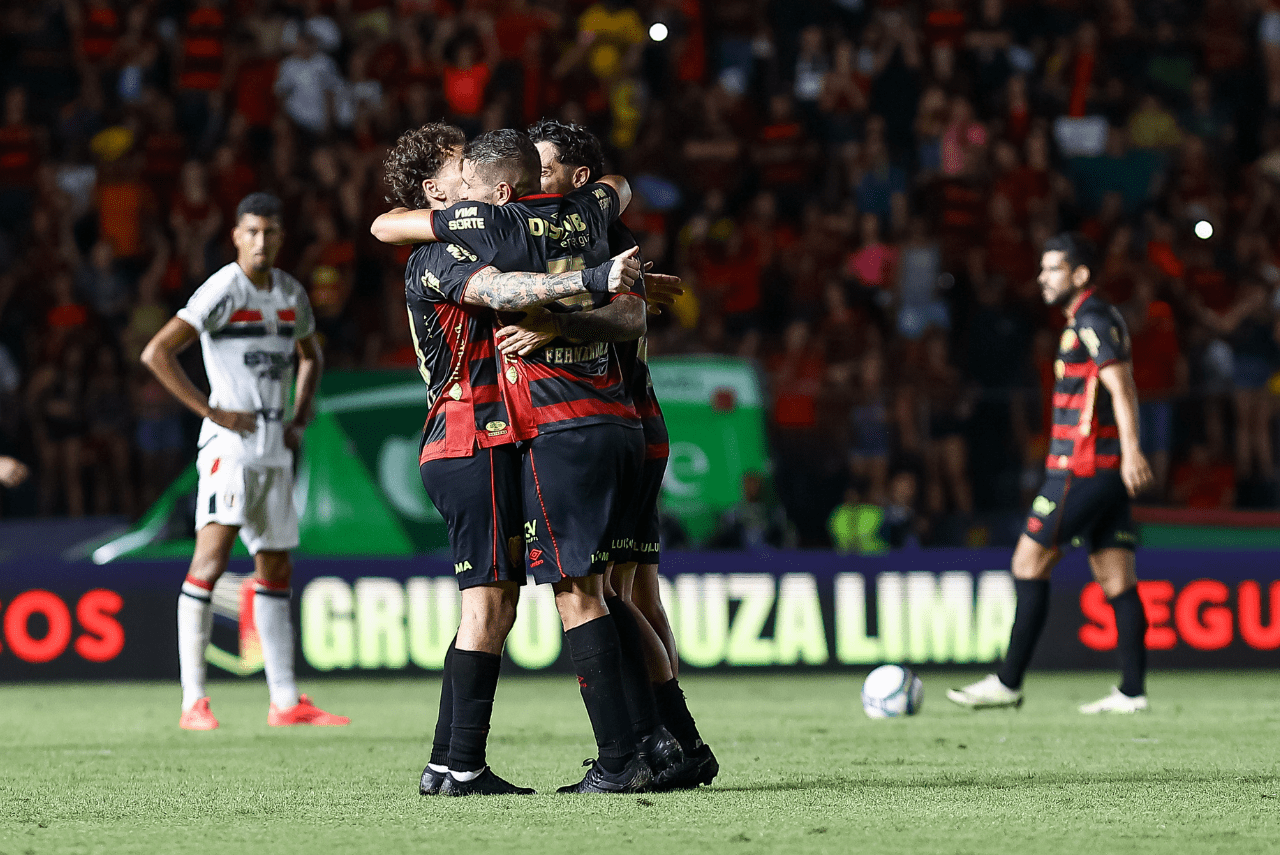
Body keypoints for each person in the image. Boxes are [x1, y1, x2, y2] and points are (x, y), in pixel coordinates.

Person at [374, 128, 658, 794]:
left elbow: (601, 200)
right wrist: (591, 280)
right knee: (492, 608)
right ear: (434, 192)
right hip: (476, 437)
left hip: (482, 439)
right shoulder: (439, 255)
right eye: (456, 172)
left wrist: (616, 291)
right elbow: (501, 290)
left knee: (490, 607)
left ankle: (448, 765)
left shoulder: (486, 231)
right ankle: (470, 763)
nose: (468, 182)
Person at [512, 118, 718, 789]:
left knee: (616, 592)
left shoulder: (595, 231)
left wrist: (552, 321)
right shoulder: (574, 233)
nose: (527, 180)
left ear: (575, 178)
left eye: (540, 169)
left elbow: (628, 316)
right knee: (632, 592)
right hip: (624, 422)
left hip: (615, 420)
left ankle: (662, 739)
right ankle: (672, 740)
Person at [141, 192, 348, 731]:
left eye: (271, 232)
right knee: (209, 563)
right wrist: (210, 410)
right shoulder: (222, 288)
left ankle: (284, 700)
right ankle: (194, 702)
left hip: (273, 446)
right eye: (252, 231)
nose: (261, 241)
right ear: (236, 235)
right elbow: (157, 352)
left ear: (281, 237)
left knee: (275, 567)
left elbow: (311, 357)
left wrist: (298, 420)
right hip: (229, 448)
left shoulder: (290, 293)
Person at [948, 233, 1154, 714]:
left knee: (1027, 562)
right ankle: (1132, 691)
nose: (1042, 278)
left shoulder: (1092, 319)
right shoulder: (1091, 319)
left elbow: (1120, 384)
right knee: (1116, 575)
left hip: (1082, 467)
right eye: (1042, 269)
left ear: (1080, 275)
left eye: (1053, 269)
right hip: (1101, 466)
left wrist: (1132, 452)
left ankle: (1008, 681)